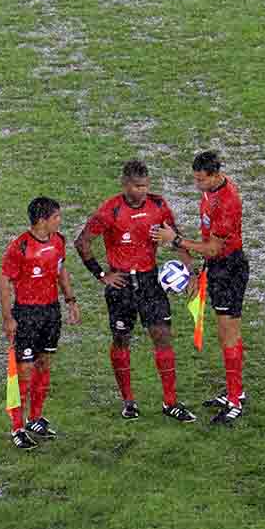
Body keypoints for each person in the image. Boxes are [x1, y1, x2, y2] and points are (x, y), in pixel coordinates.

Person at [74, 159, 198, 423]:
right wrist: (102, 275)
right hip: (121, 286)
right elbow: (82, 242)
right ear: (125, 185)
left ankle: (170, 402)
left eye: (146, 185)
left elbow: (175, 239)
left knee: (162, 336)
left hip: (150, 281)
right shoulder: (110, 210)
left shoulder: (159, 205)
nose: (143, 190)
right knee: (121, 339)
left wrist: (191, 273)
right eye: (137, 186)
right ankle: (128, 402)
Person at [151, 150, 249, 426]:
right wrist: (201, 270)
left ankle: (234, 401)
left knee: (229, 335)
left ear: (216, 175)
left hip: (229, 269)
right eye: (195, 179)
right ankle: (235, 391)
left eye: (201, 180)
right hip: (218, 267)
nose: (198, 185)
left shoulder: (227, 203)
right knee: (225, 334)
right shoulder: (211, 191)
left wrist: (175, 241)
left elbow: (214, 247)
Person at [0, 196, 81, 450]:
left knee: (43, 364)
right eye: (57, 217)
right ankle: (17, 428)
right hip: (27, 314)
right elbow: (4, 282)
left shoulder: (58, 241)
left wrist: (70, 299)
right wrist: (8, 318)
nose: (60, 221)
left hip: (50, 312)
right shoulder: (19, 247)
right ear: (42, 220)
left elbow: (61, 269)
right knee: (23, 372)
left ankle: (34, 418)